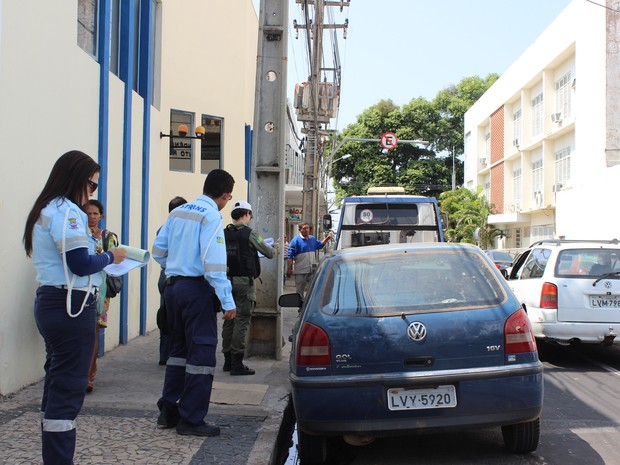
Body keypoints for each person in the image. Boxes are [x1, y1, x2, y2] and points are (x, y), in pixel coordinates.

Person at [23, 150, 127, 465]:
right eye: (92, 186)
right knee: (69, 385)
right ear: (77, 179)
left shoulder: (47, 207)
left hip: (53, 302)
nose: (92, 193)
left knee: (57, 380)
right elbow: (80, 263)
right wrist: (112, 257)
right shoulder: (67, 211)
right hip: (71, 306)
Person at [152, 169, 237, 437]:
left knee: (178, 352)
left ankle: (169, 410)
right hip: (195, 290)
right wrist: (227, 300)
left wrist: (175, 269)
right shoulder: (211, 216)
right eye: (228, 197)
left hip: (173, 288)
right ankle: (191, 418)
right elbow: (213, 263)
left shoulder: (178, 212)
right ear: (225, 195)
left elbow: (158, 251)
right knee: (201, 354)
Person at [222, 200, 277, 375]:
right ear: (247, 214)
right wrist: (275, 246)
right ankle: (237, 364)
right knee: (242, 321)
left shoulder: (223, 233)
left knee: (229, 319)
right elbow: (269, 253)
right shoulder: (250, 233)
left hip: (226, 281)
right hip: (244, 283)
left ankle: (227, 361)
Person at [84, 199, 120, 392]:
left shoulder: (107, 237)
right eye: (88, 213)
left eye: (95, 214)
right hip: (81, 288)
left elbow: (115, 263)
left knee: (94, 331)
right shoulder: (78, 234)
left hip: (101, 291)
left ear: (101, 216)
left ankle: (89, 375)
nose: (91, 217)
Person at [157, 196, 188, 366]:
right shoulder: (183, 229)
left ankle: (164, 354)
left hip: (165, 275)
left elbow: (158, 252)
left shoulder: (163, 228)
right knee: (178, 317)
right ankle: (177, 354)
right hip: (177, 277)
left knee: (165, 315)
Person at [286, 222, 331, 297]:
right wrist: (289, 269)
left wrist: (327, 238)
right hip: (300, 271)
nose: (306, 230)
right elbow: (290, 256)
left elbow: (320, 245)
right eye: (304, 228)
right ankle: (300, 307)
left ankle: (309, 306)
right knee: (299, 292)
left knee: (312, 290)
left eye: (307, 228)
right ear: (300, 230)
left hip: (312, 271)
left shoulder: (312, 239)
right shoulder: (295, 241)